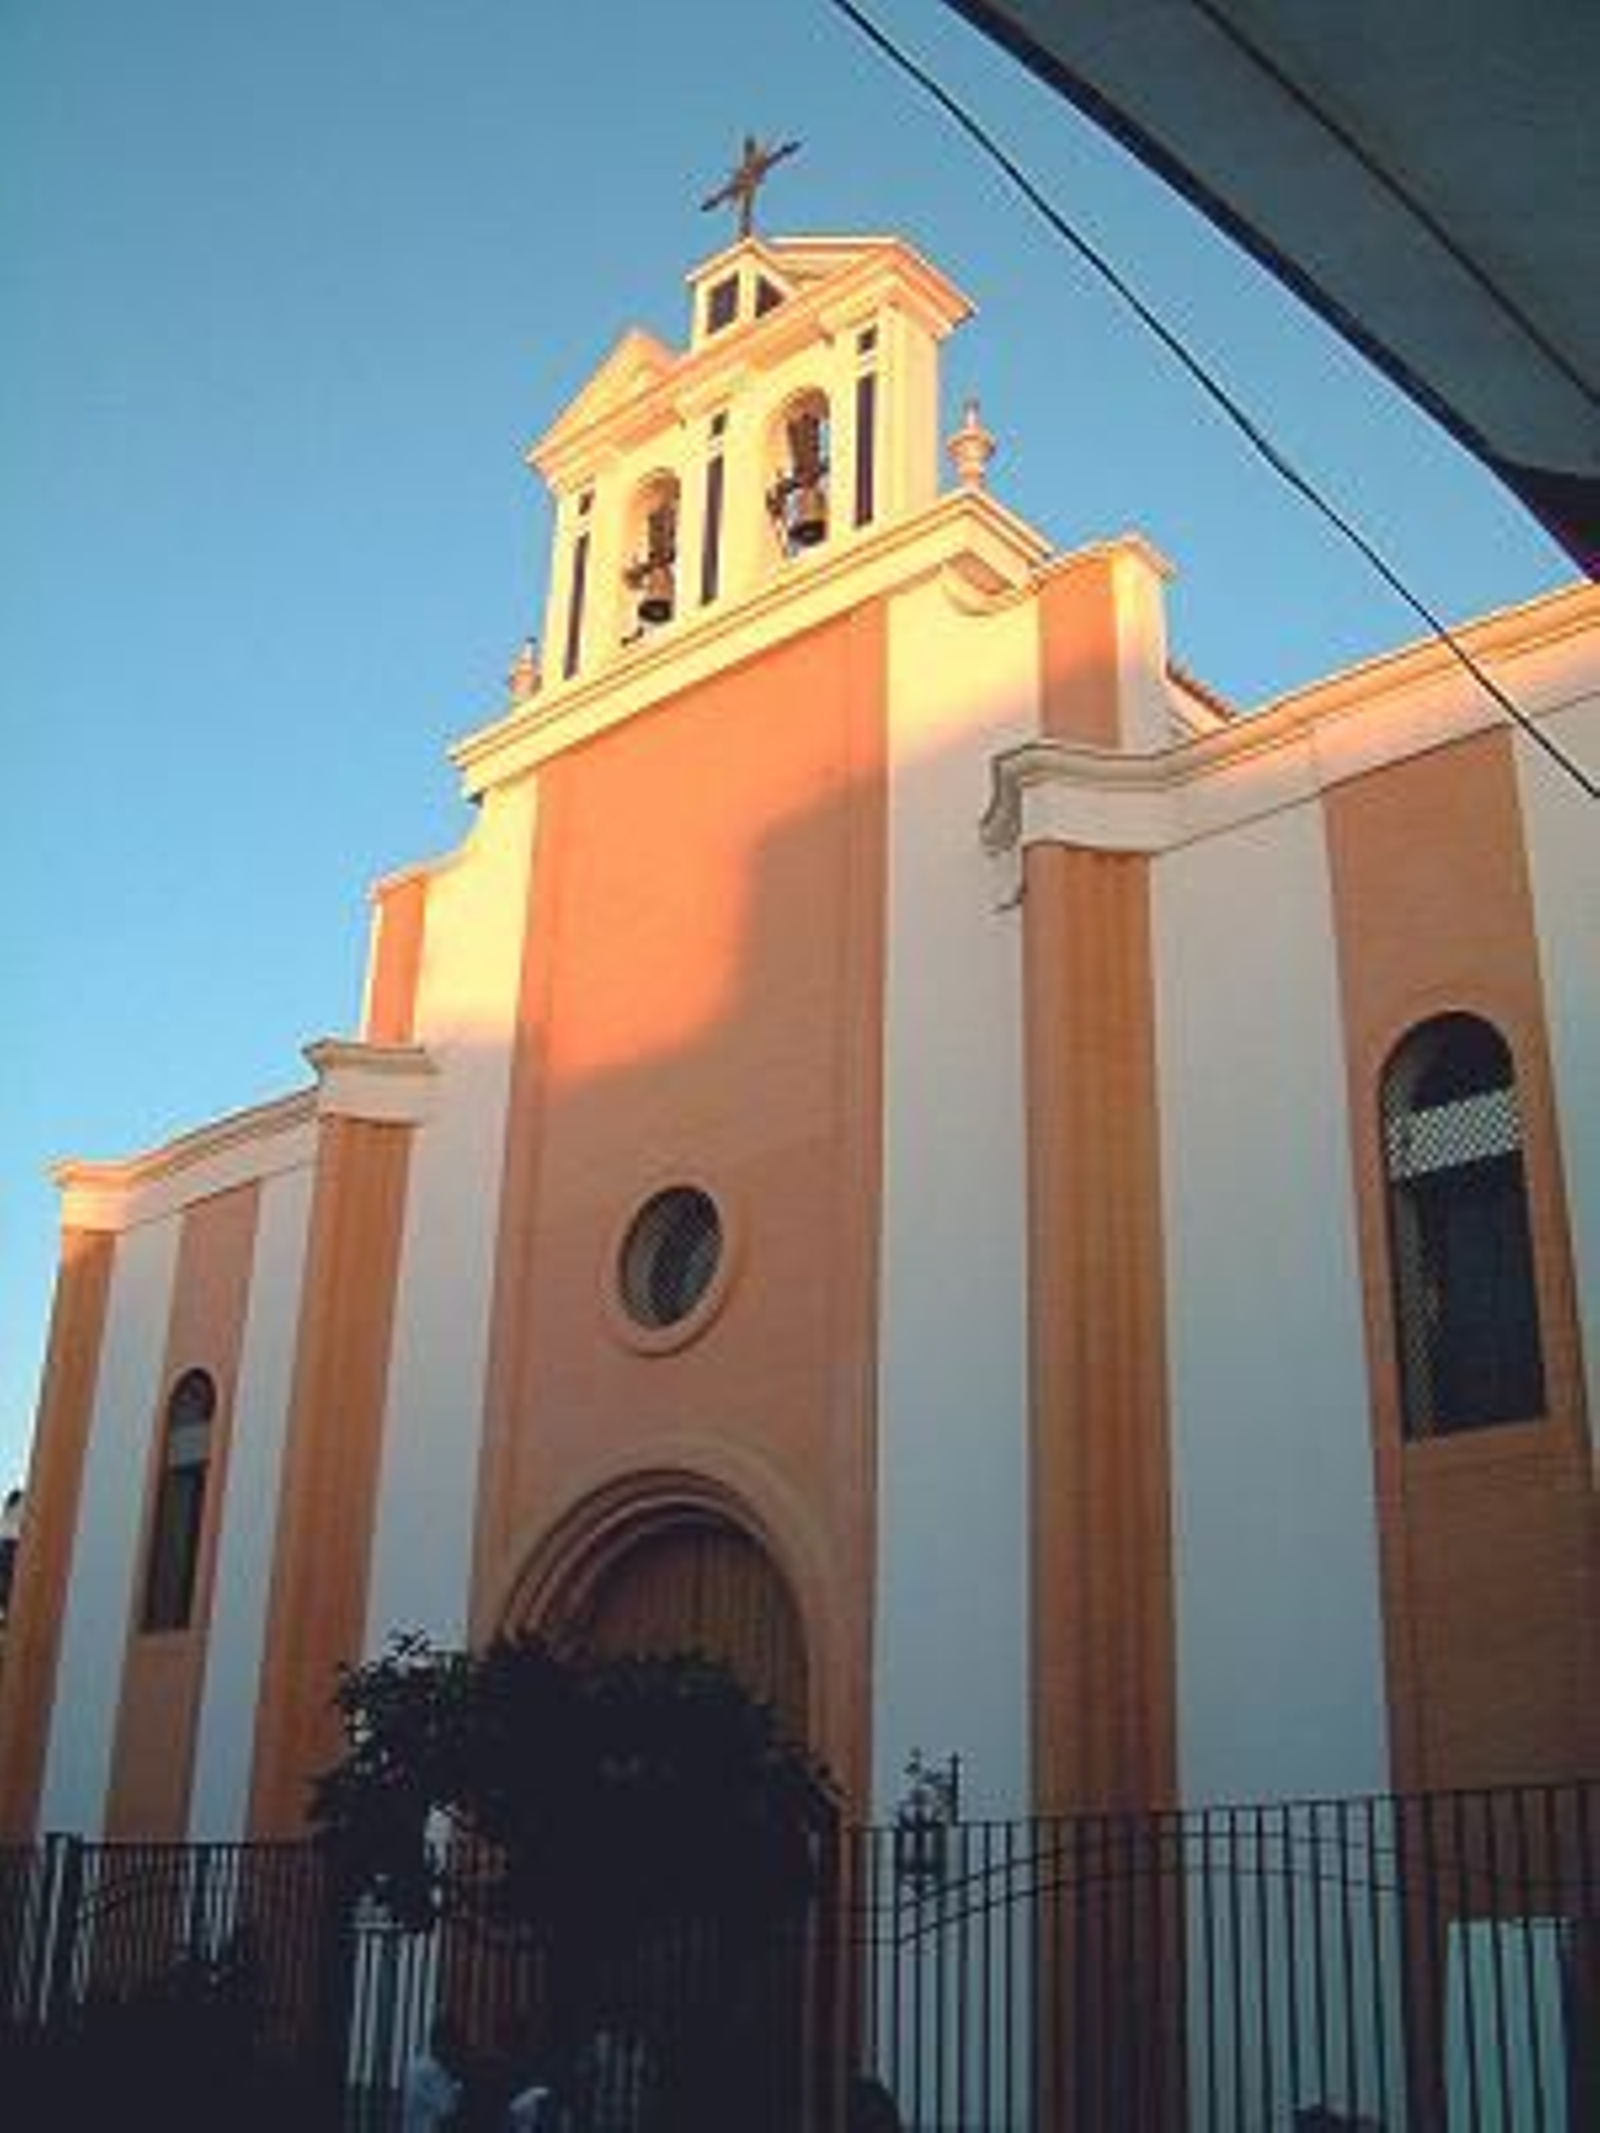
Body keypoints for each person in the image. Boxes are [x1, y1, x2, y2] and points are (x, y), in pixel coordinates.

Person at [403, 2014, 467, 2132]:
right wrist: (459, 2084)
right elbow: (448, 2108)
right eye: (453, 2044)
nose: (455, 2050)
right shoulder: (433, 2071)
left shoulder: (418, 2065)